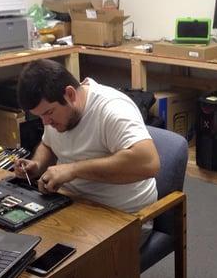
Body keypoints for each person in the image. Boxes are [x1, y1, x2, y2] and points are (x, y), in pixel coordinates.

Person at [14, 59, 160, 243]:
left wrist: (73, 170)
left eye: (48, 113)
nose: (45, 122)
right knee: (21, 242)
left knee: (65, 261)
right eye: (40, 116)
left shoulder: (112, 109)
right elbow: (48, 145)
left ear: (70, 94)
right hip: (70, 203)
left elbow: (149, 163)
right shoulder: (57, 111)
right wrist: (37, 164)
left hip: (122, 215)